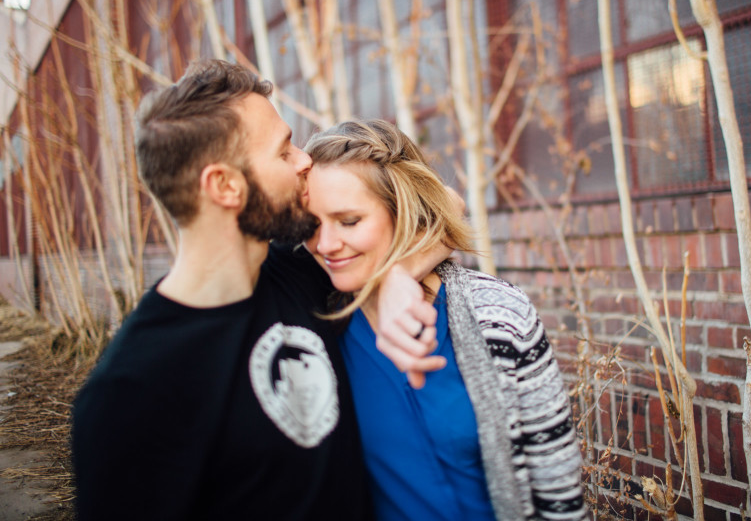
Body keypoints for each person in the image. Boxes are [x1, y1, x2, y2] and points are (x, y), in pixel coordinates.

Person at [71, 60, 445, 520]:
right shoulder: (130, 393)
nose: (305, 160)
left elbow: (444, 211)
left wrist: (397, 279)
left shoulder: (297, 274)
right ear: (226, 185)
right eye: (284, 151)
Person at [302, 119, 587, 521]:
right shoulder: (310, 317)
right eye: (311, 225)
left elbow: (558, 486)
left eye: (349, 221)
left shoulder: (498, 312)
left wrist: (398, 272)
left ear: (401, 212)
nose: (327, 244)